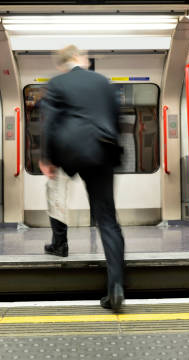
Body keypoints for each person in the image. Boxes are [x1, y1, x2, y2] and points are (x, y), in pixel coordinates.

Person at [39, 45, 125, 313]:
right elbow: (117, 119)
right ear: (79, 58)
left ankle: (59, 241)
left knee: (54, 191)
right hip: (102, 151)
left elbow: (50, 121)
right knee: (108, 220)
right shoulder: (102, 81)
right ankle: (116, 286)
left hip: (69, 153)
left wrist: (47, 159)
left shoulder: (57, 83)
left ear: (63, 63)